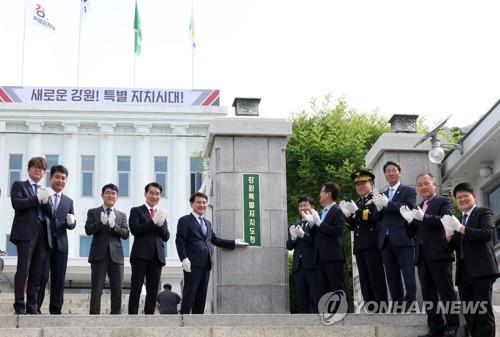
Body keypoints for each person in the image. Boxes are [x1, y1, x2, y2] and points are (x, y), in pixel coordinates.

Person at [400, 173, 458, 337]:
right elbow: (411, 234)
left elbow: (446, 219)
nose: (423, 187)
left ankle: (452, 326)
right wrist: (409, 221)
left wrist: (425, 217)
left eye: (426, 183)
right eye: (420, 185)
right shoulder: (418, 206)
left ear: (434, 184)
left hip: (440, 254)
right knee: (428, 295)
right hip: (422, 256)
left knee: (446, 292)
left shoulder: (443, 201)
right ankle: (435, 328)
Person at [175, 192, 248, 314]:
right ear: (191, 204)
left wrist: (233, 243)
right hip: (192, 264)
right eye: (199, 202)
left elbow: (214, 240)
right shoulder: (185, 220)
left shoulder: (207, 223)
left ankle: (197, 321)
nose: (202, 205)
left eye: (204, 202)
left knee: (201, 295)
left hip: (206, 264)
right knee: (189, 293)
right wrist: (184, 258)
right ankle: (184, 319)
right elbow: (180, 241)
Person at [442, 182, 499, 337]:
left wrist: (461, 228)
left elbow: (487, 234)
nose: (462, 199)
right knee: (470, 315)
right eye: (458, 197)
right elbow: (449, 249)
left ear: (473, 196)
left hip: (482, 271)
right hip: (464, 274)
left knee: (483, 313)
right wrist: (448, 234)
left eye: (465, 196)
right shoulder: (459, 219)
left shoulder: (483, 212)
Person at [10, 156, 53, 314]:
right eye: (34, 167)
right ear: (28, 170)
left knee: (37, 272)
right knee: (23, 270)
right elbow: (17, 204)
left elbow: (52, 213)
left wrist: (46, 200)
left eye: (41, 168)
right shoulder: (19, 185)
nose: (38, 170)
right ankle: (19, 305)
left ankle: (32, 306)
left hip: (43, 233)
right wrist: (37, 199)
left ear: (44, 173)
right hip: (26, 233)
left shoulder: (45, 190)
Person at [340, 170, 387, 312]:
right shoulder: (359, 202)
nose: (360, 186)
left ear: (371, 183)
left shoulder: (376, 198)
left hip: (373, 245)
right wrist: (347, 217)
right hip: (360, 246)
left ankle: (381, 311)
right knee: (365, 282)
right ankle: (371, 310)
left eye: (363, 183)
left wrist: (358, 212)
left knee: (376, 280)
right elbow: (354, 226)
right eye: (357, 184)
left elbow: (374, 217)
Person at [372, 161, 416, 309]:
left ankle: (410, 302)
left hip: (403, 237)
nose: (391, 173)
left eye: (394, 170)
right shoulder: (382, 194)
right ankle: (397, 303)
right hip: (385, 240)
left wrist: (388, 204)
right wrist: (377, 209)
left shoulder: (408, 191)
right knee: (391, 275)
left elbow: (408, 208)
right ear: (384, 175)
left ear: (399, 172)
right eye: (388, 171)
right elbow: (376, 218)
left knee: (408, 273)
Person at [37, 165, 76, 314]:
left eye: (63, 178)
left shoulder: (68, 201)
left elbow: (70, 223)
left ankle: (55, 310)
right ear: (51, 177)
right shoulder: (43, 194)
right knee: (41, 278)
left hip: (61, 246)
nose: (60, 180)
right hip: (44, 244)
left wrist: (72, 222)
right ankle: (35, 308)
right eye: (57, 177)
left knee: (59, 280)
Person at [85, 183, 129, 314]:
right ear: (102, 195)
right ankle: (94, 316)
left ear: (117, 196)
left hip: (116, 256)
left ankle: (116, 316)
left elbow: (126, 234)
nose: (110, 195)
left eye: (113, 193)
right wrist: (100, 223)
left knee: (117, 289)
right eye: (108, 193)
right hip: (98, 255)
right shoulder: (93, 212)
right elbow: (88, 230)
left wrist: (113, 225)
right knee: (96, 288)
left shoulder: (121, 215)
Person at [128, 182, 170, 315]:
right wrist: (152, 222)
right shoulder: (136, 210)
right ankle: (132, 317)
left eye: (157, 194)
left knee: (153, 290)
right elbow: (135, 230)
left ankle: (149, 317)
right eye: (151, 193)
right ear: (145, 194)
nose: (154, 196)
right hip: (140, 255)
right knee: (136, 288)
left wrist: (161, 223)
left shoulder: (160, 213)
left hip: (157, 256)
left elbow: (166, 236)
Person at [302, 182, 346, 298]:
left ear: (328, 194)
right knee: (323, 291)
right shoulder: (321, 212)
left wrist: (320, 224)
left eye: (321, 192)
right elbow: (316, 235)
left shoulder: (338, 210)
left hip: (333, 257)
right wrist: (311, 225)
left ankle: (343, 315)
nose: (319, 195)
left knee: (337, 289)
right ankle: (328, 315)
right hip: (320, 257)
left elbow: (337, 231)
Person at [286, 196, 319, 313]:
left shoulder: (316, 222)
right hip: (298, 267)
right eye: (300, 206)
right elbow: (289, 246)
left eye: (305, 205)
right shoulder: (297, 224)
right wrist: (293, 238)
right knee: (302, 297)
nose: (302, 208)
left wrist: (304, 236)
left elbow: (317, 243)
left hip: (312, 265)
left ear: (312, 207)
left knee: (315, 296)